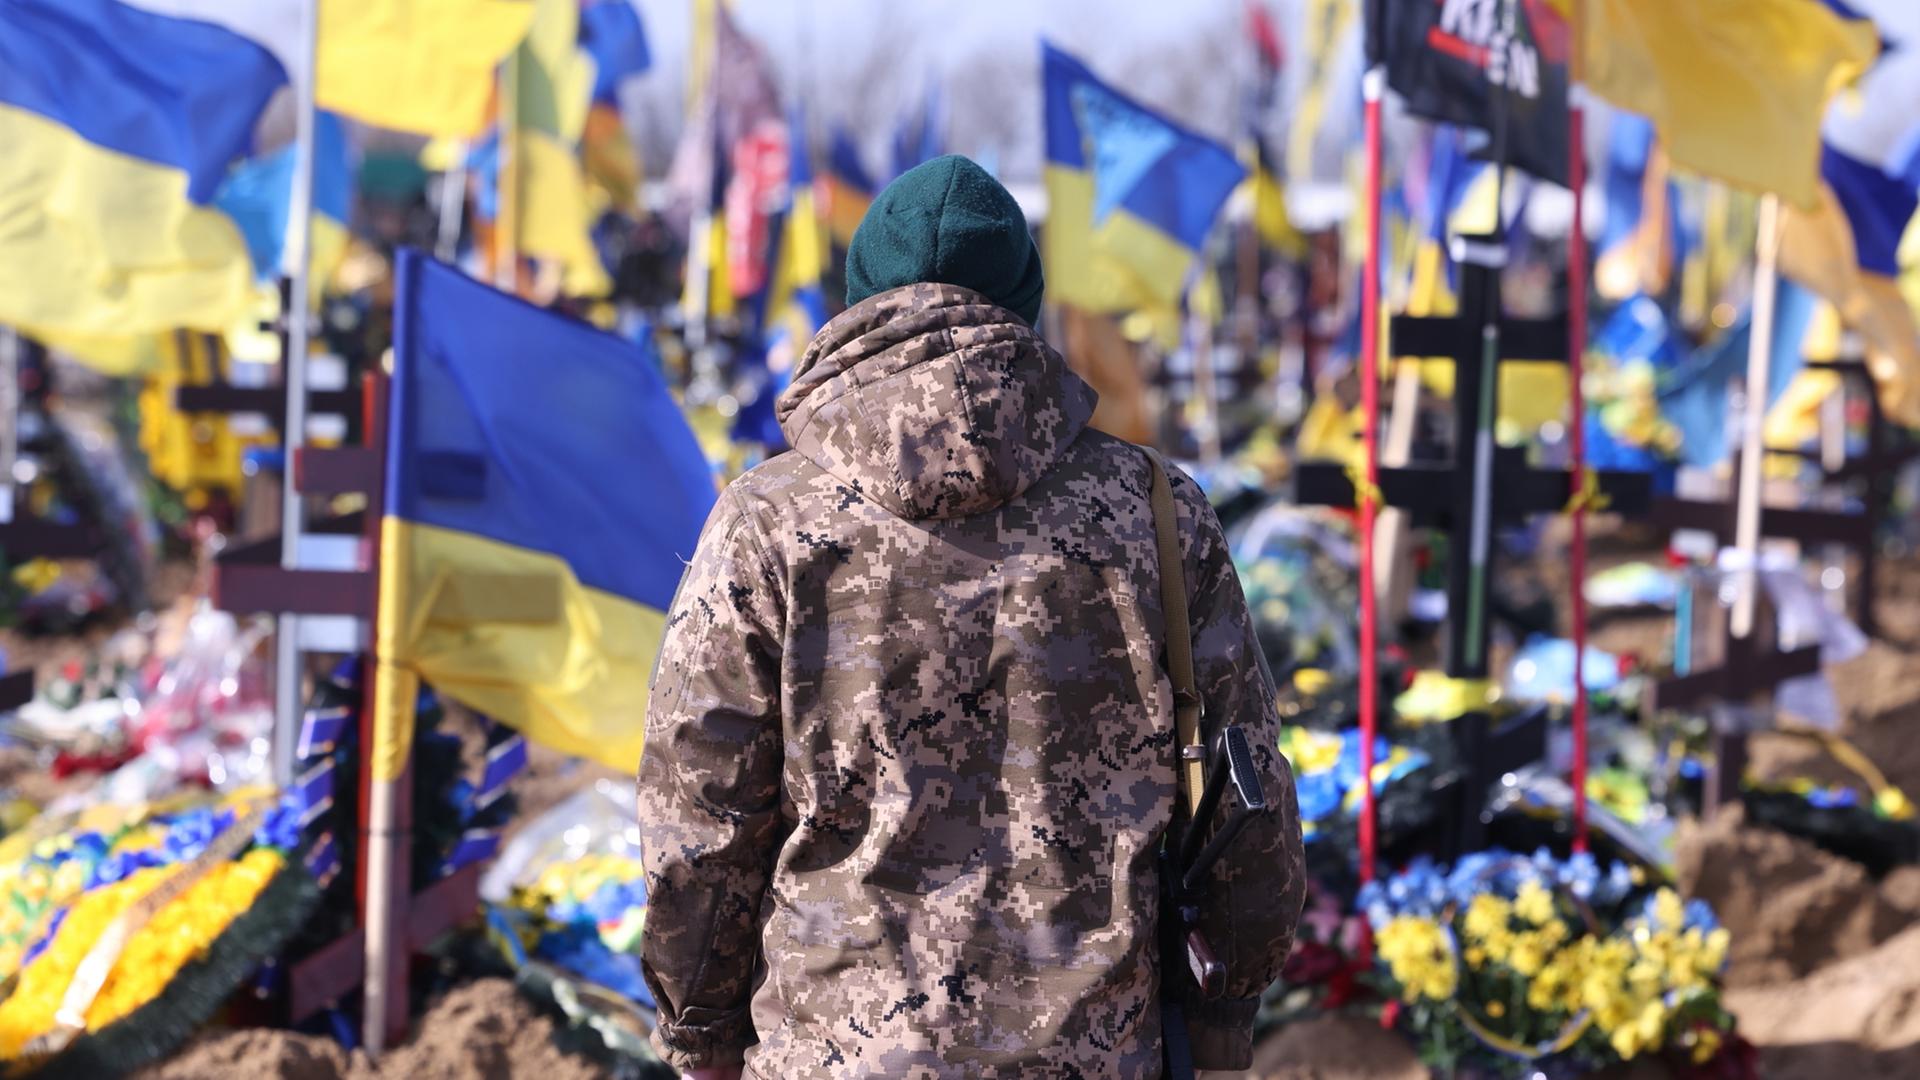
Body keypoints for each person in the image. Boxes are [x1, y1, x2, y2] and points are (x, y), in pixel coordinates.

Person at [638, 155, 1304, 1079]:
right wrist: (1226, 1021)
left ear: (858, 301)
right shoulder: (1155, 511)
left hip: (837, 1051)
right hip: (1094, 1052)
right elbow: (1244, 798)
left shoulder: (770, 522)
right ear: (1026, 303)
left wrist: (700, 1035)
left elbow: (702, 816)